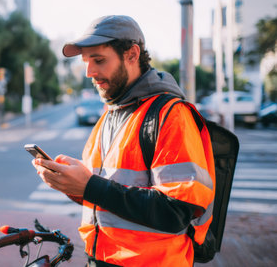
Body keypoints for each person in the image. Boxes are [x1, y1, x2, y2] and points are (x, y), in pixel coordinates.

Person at [33, 15, 215, 266]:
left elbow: (177, 212)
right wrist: (70, 183)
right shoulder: (110, 116)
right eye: (87, 62)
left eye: (99, 60)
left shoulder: (171, 115)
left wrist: (89, 186)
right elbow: (105, 195)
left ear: (132, 54)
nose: (89, 72)